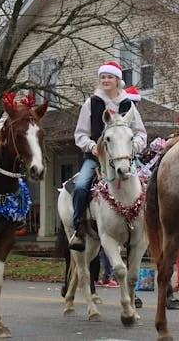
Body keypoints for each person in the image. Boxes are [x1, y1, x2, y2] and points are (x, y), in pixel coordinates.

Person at [67, 61, 147, 250]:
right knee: (80, 186)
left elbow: (141, 133)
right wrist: (91, 146)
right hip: (96, 160)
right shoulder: (91, 103)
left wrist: (135, 146)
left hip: (126, 160)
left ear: (118, 80)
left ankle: (150, 226)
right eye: (103, 77)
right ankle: (78, 229)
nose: (105, 80)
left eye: (109, 77)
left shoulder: (128, 104)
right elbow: (80, 134)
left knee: (150, 186)